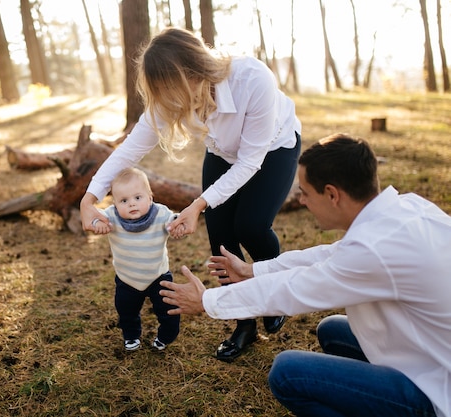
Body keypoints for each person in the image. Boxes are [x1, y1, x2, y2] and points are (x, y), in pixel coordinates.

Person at [159, 133, 451, 417]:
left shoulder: (373, 250)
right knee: (332, 330)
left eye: (305, 193)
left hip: (438, 391)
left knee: (288, 373)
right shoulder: (406, 208)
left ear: (332, 194)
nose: (301, 201)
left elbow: (293, 290)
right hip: (431, 350)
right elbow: (329, 255)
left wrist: (207, 301)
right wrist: (253, 270)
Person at [80, 27, 302, 362]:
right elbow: (128, 151)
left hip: (272, 149)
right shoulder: (169, 98)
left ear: (195, 73)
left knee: (251, 226)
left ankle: (272, 293)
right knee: (222, 239)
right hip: (223, 153)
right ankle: (243, 325)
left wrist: (199, 204)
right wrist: (89, 197)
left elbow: (250, 161)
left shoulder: (253, 79)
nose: (169, 103)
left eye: (173, 91)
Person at [90, 167, 179, 352]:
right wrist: (97, 224)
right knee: (126, 311)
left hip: (158, 276)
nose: (131, 204)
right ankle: (131, 336)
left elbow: (173, 220)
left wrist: (178, 224)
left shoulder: (161, 214)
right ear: (114, 203)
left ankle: (165, 336)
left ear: (150, 197)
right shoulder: (111, 216)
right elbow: (96, 217)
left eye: (137, 198)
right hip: (127, 279)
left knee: (168, 310)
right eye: (124, 200)